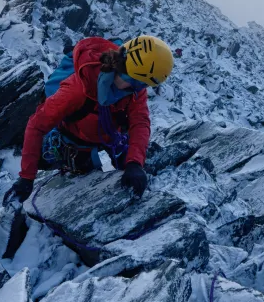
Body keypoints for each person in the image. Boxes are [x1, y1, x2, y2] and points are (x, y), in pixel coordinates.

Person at [15, 35, 174, 200]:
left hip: (107, 139)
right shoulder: (77, 90)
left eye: (145, 85)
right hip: (78, 145)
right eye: (141, 83)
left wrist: (135, 163)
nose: (142, 89)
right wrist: (27, 177)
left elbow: (139, 121)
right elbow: (36, 125)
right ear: (128, 73)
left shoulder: (133, 88)